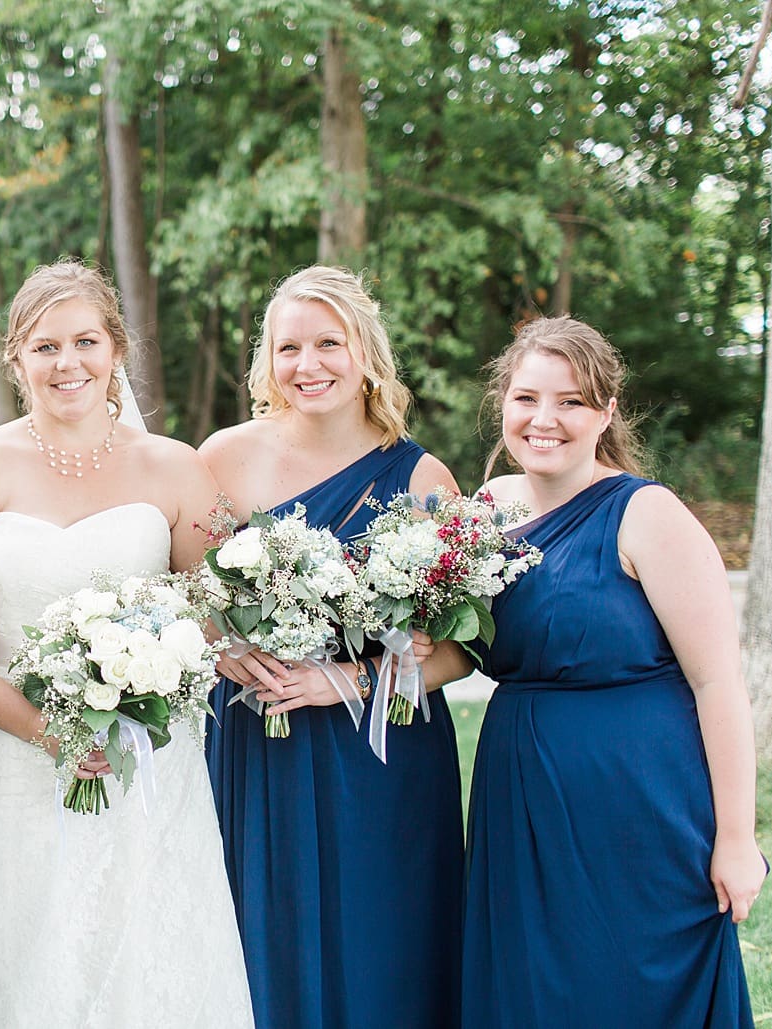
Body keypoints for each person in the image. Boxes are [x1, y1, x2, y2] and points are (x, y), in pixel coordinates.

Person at [0, 259, 253, 1027]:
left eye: (84, 341)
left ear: (116, 350)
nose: (67, 363)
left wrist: (150, 679)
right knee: (19, 961)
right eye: (44, 346)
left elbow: (223, 615)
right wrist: (48, 730)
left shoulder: (177, 468)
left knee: (147, 955)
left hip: (147, 765)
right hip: (8, 762)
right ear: (15, 358)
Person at [462, 316, 763, 1027]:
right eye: (526, 397)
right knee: (531, 985)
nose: (544, 419)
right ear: (502, 403)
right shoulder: (483, 511)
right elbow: (453, 647)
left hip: (636, 799)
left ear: (606, 411)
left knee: (628, 980)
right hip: (519, 793)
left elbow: (717, 683)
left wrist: (737, 839)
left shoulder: (646, 514)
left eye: (570, 401)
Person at [198, 266, 468, 1027]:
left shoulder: (421, 477)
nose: (306, 364)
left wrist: (345, 679)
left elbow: (458, 654)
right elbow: (180, 594)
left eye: (327, 343)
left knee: (382, 936)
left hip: (380, 754)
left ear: (365, 354)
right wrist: (221, 649)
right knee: (265, 930)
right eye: (288, 347)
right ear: (267, 360)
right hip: (259, 741)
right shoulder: (222, 457)